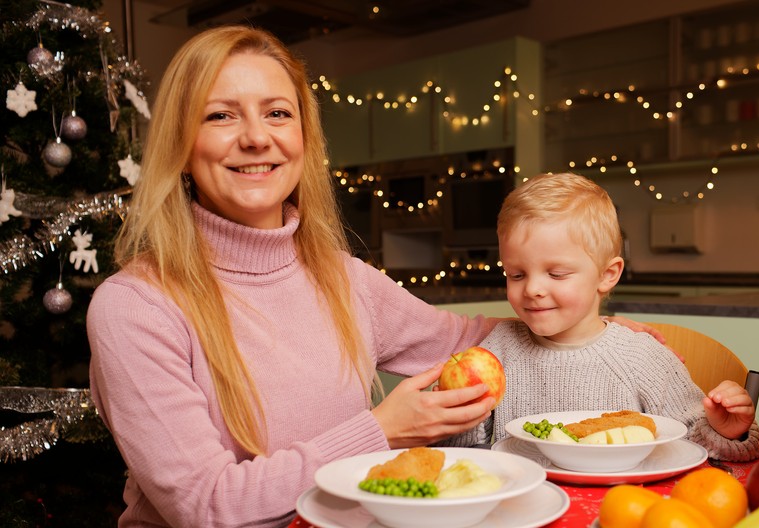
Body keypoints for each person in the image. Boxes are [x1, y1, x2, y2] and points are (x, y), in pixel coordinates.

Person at [86, 26, 663, 527]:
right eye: (220, 115)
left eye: (278, 113)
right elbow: (204, 506)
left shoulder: (344, 279)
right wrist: (381, 430)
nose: (257, 137)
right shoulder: (136, 308)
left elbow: (470, 340)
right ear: (181, 145)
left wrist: (589, 324)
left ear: (303, 139)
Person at [439, 173, 759, 461]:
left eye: (556, 273)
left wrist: (728, 431)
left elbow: (697, 447)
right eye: (516, 274)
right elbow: (462, 455)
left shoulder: (643, 357)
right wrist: (450, 414)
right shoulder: (498, 350)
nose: (533, 289)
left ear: (607, 275)